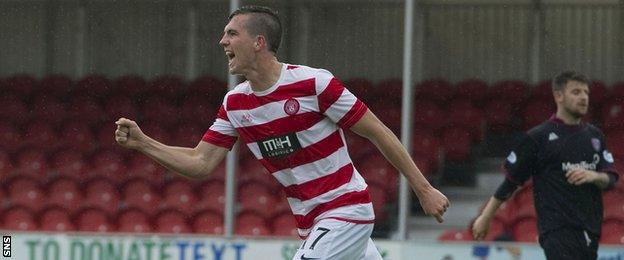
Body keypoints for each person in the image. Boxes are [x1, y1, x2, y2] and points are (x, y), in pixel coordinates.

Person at [114, 5, 449, 260]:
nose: (222, 41)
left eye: (232, 33)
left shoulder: (314, 84)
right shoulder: (235, 103)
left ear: (259, 42)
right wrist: (144, 143)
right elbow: (201, 163)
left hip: (347, 211)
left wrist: (423, 189)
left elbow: (378, 132)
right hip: (313, 225)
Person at [472, 71, 619, 260]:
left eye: (586, 92)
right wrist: (486, 216)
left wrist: (594, 176)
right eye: (576, 92)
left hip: (590, 230)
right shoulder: (538, 138)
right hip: (557, 230)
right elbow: (511, 181)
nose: (583, 97)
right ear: (559, 96)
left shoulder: (595, 136)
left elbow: (611, 179)